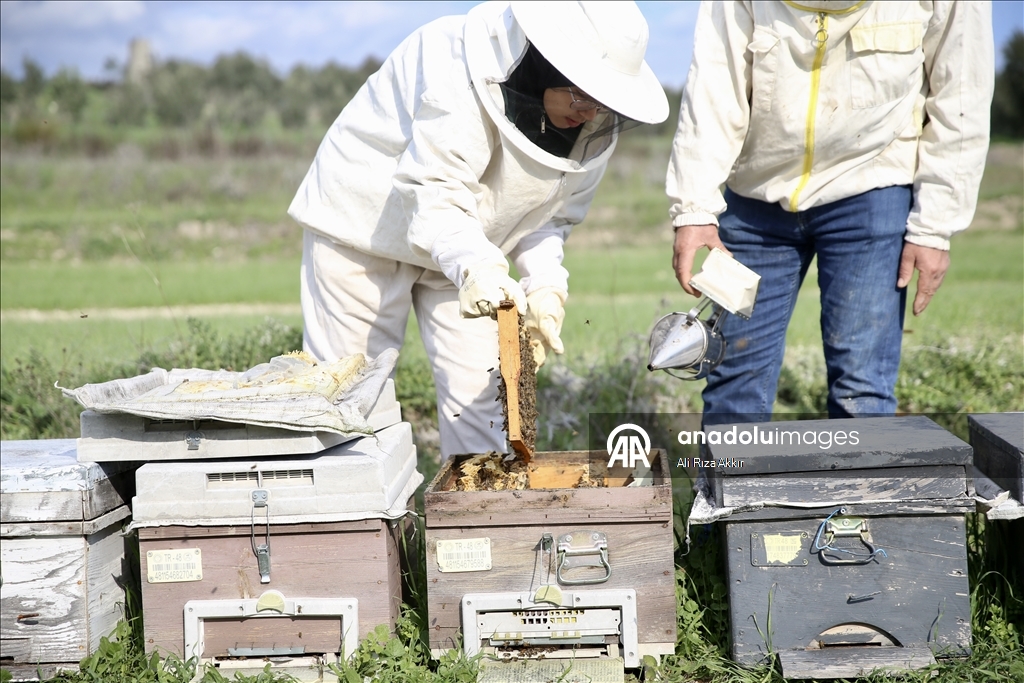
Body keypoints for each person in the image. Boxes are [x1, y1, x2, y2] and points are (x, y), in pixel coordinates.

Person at [289, 1, 668, 457]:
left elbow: (549, 217)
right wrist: (479, 266)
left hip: (473, 251)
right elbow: (435, 191)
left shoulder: (588, 131)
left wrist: (546, 282)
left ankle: (474, 526)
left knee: (485, 411)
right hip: (366, 226)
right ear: (543, 61)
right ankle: (361, 524)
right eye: (581, 94)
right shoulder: (456, 62)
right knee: (351, 398)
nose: (589, 113)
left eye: (602, 101)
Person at [666, 0, 993, 422]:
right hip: (755, 197)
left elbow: (961, 93)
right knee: (734, 380)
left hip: (874, 188)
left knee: (862, 391)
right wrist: (694, 209)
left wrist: (934, 227)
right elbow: (714, 79)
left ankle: (860, 491)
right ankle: (722, 488)